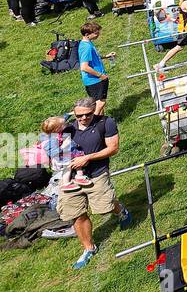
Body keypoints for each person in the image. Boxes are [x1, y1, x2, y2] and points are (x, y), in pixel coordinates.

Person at [57, 97, 133, 269]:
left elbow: (113, 148)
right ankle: (89, 248)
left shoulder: (106, 123)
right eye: (79, 116)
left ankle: (120, 210)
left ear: (94, 110)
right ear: (73, 114)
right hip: (70, 178)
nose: (83, 118)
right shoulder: (68, 128)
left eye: (88, 115)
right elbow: (48, 132)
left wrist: (87, 158)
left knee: (105, 206)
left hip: (97, 174)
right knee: (76, 213)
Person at [77, 21, 112, 115]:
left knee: (98, 104)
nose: (98, 34)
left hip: (94, 79)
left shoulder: (87, 43)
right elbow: (84, 67)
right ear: (87, 34)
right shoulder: (86, 47)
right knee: (101, 103)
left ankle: (101, 122)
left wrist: (106, 56)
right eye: (96, 33)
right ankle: (93, 123)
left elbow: (93, 57)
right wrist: (101, 75)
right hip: (95, 80)